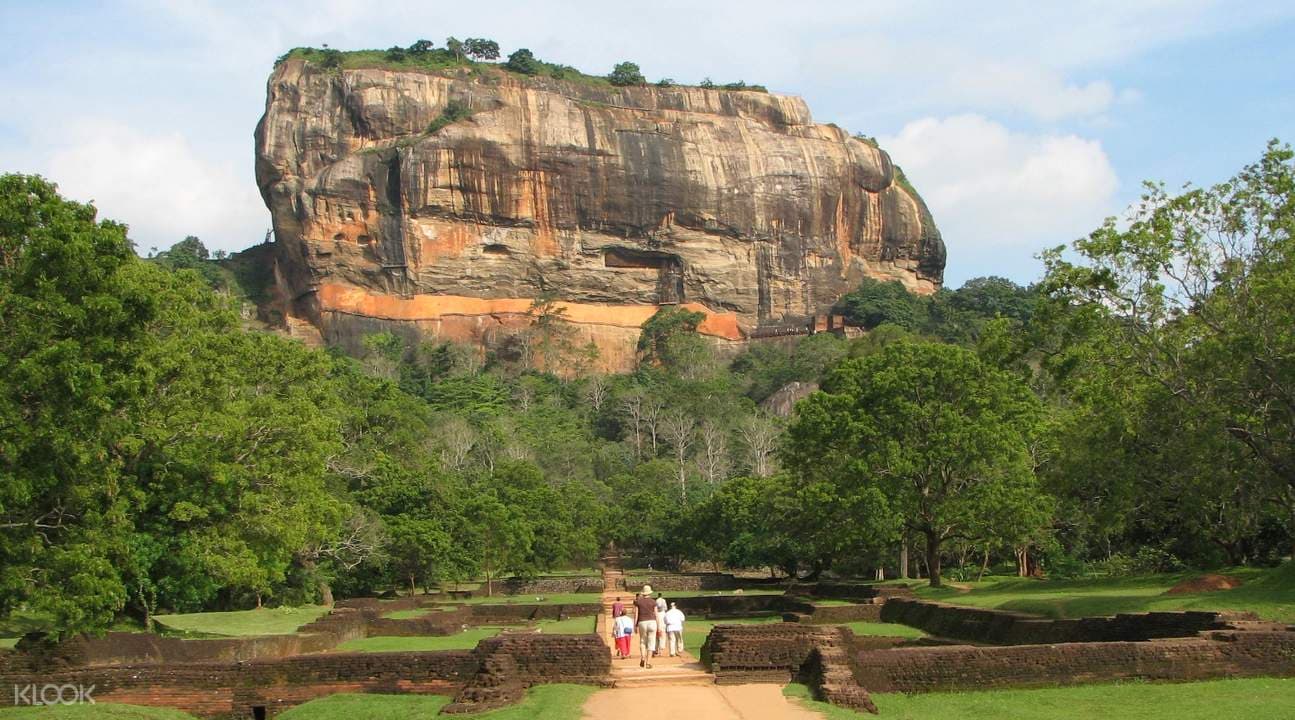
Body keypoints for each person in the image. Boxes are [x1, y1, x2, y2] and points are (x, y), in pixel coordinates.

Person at [633, 584, 658, 668]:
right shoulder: (653, 602)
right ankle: (648, 662)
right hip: (652, 622)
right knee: (651, 642)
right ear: (649, 593)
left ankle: (643, 657)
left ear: (643, 593)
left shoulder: (638, 602)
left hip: (642, 622)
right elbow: (656, 614)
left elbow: (636, 614)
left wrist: (635, 625)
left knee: (642, 641)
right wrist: (658, 626)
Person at [653, 592, 668, 657]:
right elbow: (666, 608)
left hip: (656, 626)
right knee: (662, 638)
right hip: (662, 626)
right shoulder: (664, 613)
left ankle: (656, 650)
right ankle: (660, 651)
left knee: (656, 638)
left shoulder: (655, 613)